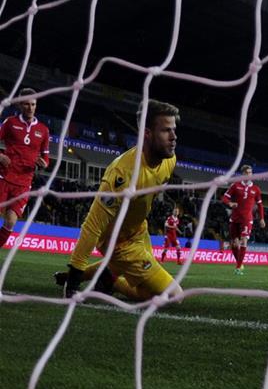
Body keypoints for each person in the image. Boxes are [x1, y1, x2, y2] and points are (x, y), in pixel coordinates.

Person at [57, 100, 183, 300]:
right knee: (174, 295)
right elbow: (93, 226)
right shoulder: (121, 175)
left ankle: (107, 279)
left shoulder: (170, 159)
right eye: (166, 131)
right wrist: (74, 278)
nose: (174, 137)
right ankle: (110, 280)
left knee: (145, 294)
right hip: (118, 243)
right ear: (147, 134)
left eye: (174, 130)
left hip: (140, 232)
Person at [0, 88, 51, 246]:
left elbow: (46, 158)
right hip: (4, 177)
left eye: (33, 104)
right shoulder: (10, 123)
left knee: (10, 222)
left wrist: (44, 164)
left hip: (24, 183)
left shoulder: (43, 130)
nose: (30, 108)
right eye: (27, 104)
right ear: (20, 105)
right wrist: (0, 156)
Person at [221, 164, 265, 275]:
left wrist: (261, 218)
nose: (250, 175)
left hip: (247, 218)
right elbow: (224, 198)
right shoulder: (235, 186)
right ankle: (239, 263)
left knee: (244, 240)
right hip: (235, 217)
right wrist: (230, 203)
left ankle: (238, 267)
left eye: (251, 173)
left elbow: (260, 205)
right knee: (234, 244)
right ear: (243, 174)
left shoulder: (256, 189)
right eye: (248, 173)